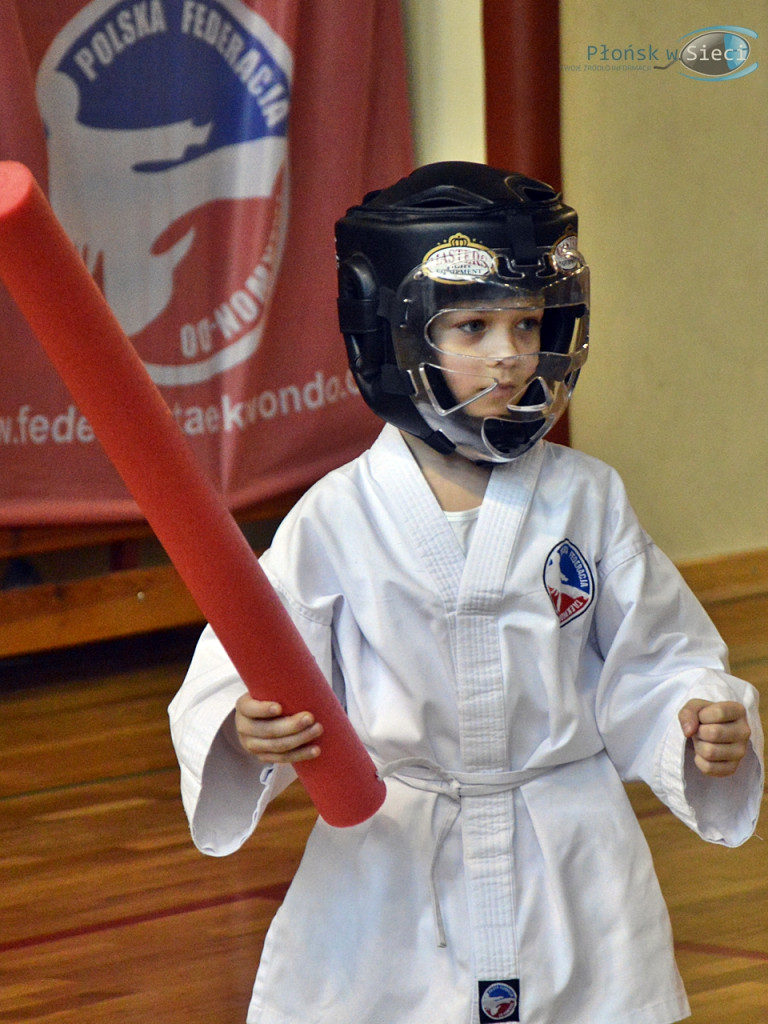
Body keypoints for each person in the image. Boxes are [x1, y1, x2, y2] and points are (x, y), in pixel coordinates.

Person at [169, 162, 763, 1024]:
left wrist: (697, 710)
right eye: (473, 326)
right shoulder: (336, 516)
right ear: (392, 338)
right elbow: (247, 660)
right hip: (393, 852)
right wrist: (243, 721)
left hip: (568, 852)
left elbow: (656, 654)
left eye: (527, 324)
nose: (510, 354)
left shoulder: (584, 497)